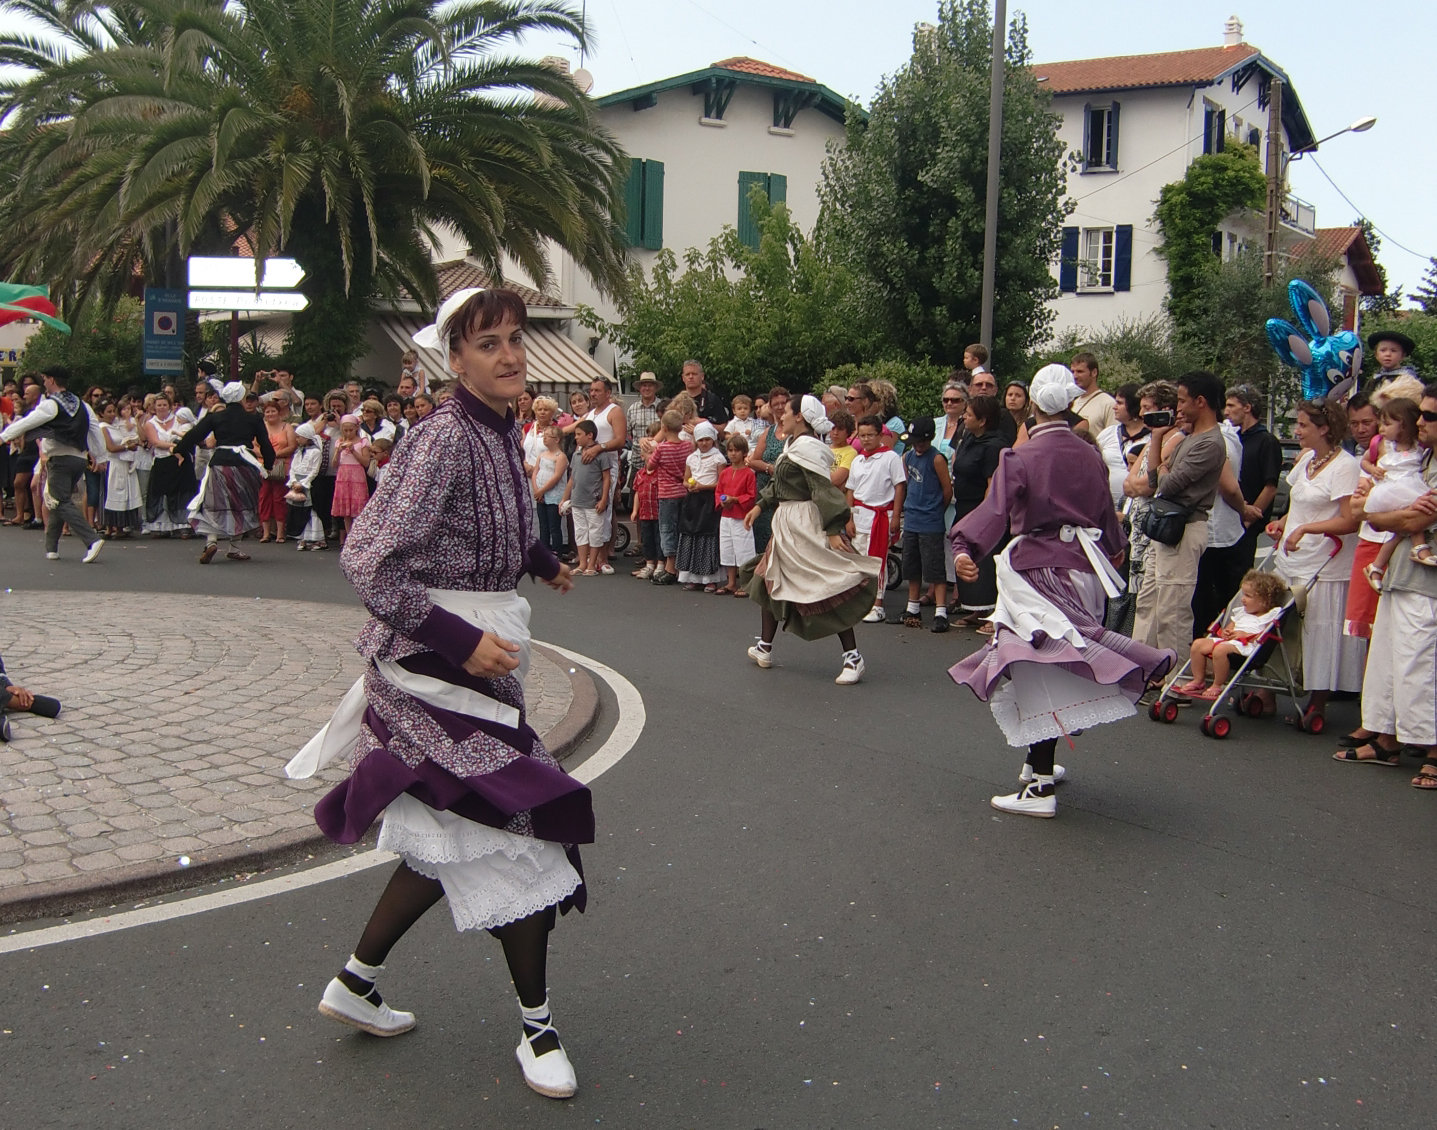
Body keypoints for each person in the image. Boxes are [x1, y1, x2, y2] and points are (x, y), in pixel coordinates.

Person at [288, 286, 585, 1101]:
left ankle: (356, 982)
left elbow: (493, 522)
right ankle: (537, 1029)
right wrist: (459, 641)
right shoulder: (442, 436)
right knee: (520, 827)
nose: (509, 355)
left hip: (483, 652)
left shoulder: (500, 426)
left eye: (515, 338)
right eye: (488, 343)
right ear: (454, 358)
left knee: (452, 828)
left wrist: (539, 559)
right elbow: (367, 561)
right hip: (432, 665)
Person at [949, 364, 1175, 818]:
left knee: (1039, 667)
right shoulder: (1090, 454)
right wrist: (1114, 549)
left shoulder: (1021, 456)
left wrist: (963, 546)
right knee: (1054, 663)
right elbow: (1108, 517)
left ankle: (1040, 785)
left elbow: (995, 510)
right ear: (1071, 403)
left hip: (1039, 570)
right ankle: (1038, 764)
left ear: (1033, 403)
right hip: (1086, 570)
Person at [740, 395, 881, 684]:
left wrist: (833, 529)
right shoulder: (793, 445)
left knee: (825, 586)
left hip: (804, 524)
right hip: (787, 524)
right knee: (768, 580)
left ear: (800, 417)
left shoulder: (808, 449)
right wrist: (760, 506)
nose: (781, 416)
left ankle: (853, 657)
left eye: (786, 412)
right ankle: (765, 647)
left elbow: (823, 490)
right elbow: (779, 485)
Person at [1347, 384, 1437, 777]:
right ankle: (1387, 740)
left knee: (1420, 664)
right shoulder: (1419, 458)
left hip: (1427, 581)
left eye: (1429, 415)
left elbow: (1416, 518)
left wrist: (1371, 514)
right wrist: (1374, 506)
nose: (1421, 421)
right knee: (1387, 661)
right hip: (1400, 573)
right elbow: (1377, 507)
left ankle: (1432, 749)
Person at [1263, 399, 1364, 727]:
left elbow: (1350, 520)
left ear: (1324, 428)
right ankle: (1269, 689)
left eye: (1303, 425)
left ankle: (1318, 699)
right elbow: (1300, 505)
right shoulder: (1306, 458)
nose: (1297, 430)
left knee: (1319, 630)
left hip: (1325, 562)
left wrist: (1307, 528)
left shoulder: (1345, 466)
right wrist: (1284, 523)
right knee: (1279, 622)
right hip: (1293, 556)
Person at [1129, 371, 1229, 661]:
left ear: (1201, 401)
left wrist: (1163, 470)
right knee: (1149, 603)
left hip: (1184, 528)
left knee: (1172, 611)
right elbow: (1154, 478)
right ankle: (1143, 664)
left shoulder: (1210, 443)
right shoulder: (1188, 438)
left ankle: (1176, 674)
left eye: (1183, 401)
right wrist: (1158, 438)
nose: (1179, 408)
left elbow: (1168, 485)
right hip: (1165, 528)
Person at [0, 365, 106, 563]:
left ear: (52, 380)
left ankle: (92, 540)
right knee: (55, 501)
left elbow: (27, 422)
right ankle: (51, 548)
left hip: (60, 459)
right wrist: (100, 457)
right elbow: (94, 429)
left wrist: (4, 436)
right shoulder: (82, 404)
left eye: (45, 379)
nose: (44, 382)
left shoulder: (51, 404)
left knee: (60, 501)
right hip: (78, 459)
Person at [174, 381, 277, 563]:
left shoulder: (216, 417)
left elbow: (194, 434)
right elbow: (266, 445)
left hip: (220, 463)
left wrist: (179, 449)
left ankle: (211, 541)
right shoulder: (253, 419)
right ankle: (234, 548)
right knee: (241, 504)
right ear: (241, 397)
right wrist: (268, 464)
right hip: (245, 464)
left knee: (214, 502)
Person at [1177, 570, 1288, 699]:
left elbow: (1264, 637)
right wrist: (1226, 632)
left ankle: (1218, 684)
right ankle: (1198, 680)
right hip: (1229, 642)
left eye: (1248, 596)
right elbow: (1231, 626)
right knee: (1197, 644)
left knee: (1220, 650)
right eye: (1243, 594)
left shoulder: (1269, 616)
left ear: (1265, 601)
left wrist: (1244, 635)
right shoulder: (1242, 612)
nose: (1243, 599)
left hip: (1247, 646)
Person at [1188, 418, 1250, 639]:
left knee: (1207, 604)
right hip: (1220, 532)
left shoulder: (1216, 441)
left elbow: (1229, 487)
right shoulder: (1224, 437)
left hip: (1216, 534)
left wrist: (1244, 510)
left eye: (1183, 403)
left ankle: (1212, 650)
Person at [949, 395, 1007, 630]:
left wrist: (984, 517)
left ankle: (994, 613)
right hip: (963, 506)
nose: (964, 417)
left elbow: (992, 485)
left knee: (987, 562)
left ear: (983, 421)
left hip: (981, 509)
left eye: (969, 414)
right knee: (968, 556)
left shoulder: (995, 446)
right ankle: (976, 609)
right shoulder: (968, 438)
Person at [1358, 398, 1430, 583]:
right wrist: (1373, 469)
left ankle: (1376, 566)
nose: (1381, 428)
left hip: (1408, 486)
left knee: (1399, 532)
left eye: (1387, 424)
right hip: (1392, 488)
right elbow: (1364, 461)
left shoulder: (1419, 446)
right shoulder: (1382, 444)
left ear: (1404, 425)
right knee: (1414, 515)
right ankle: (1420, 546)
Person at [846, 414, 906, 623]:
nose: (866, 439)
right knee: (859, 558)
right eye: (862, 435)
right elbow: (851, 490)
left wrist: (896, 516)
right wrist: (849, 517)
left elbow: (899, 487)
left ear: (880, 435)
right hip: (860, 515)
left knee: (877, 559)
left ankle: (878, 604)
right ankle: (862, 601)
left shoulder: (891, 458)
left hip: (881, 516)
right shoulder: (858, 460)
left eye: (870, 435)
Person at [899, 416, 953, 632]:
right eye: (914, 441)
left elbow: (947, 489)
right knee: (911, 565)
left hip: (930, 520)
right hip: (912, 518)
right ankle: (912, 607)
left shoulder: (936, 459)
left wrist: (936, 509)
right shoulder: (907, 457)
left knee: (934, 567)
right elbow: (907, 484)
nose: (917, 445)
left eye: (921, 441)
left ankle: (940, 611)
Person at [1225, 385, 1282, 573]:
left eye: (1231, 406)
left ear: (1247, 407)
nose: (1226, 412)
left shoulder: (1266, 441)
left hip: (1246, 521)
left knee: (1239, 574)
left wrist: (1248, 519)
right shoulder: (1233, 438)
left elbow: (1270, 486)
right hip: (1228, 518)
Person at [560, 419, 615, 577]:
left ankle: (592, 564)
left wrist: (603, 500)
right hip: (577, 500)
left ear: (589, 435)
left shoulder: (601, 455)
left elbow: (606, 478)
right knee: (581, 532)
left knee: (595, 532)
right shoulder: (576, 455)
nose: (576, 437)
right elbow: (572, 478)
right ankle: (582, 563)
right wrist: (564, 499)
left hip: (593, 501)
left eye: (579, 434)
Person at [677, 421, 726, 591]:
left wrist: (704, 487)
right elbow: (685, 479)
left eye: (707, 439)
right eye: (701, 440)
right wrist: (689, 486)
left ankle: (710, 578)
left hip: (709, 500)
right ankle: (694, 577)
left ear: (713, 440)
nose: (704, 443)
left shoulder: (718, 458)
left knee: (708, 536)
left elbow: (721, 482)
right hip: (693, 500)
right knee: (692, 535)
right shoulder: (691, 458)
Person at [648, 410, 693, 585]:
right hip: (684, 491)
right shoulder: (687, 446)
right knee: (682, 529)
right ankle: (682, 567)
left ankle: (670, 568)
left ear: (664, 428)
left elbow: (650, 466)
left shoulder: (661, 448)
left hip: (667, 493)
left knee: (667, 529)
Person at [746, 386, 789, 553]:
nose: (780, 407)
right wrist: (769, 468)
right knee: (764, 538)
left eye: (783, 403)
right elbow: (753, 460)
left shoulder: (795, 432)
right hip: (765, 487)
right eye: (776, 404)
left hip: (786, 490)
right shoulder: (768, 432)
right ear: (770, 407)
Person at [716, 434, 757, 595]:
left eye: (736, 450)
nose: (733, 454)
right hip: (726, 516)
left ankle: (746, 584)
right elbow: (719, 491)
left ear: (744, 452)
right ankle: (731, 582)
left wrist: (735, 500)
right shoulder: (725, 473)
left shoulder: (749, 473)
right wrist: (722, 502)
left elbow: (751, 496)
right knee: (727, 549)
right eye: (730, 450)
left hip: (741, 517)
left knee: (743, 550)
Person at [101, 400, 143, 537]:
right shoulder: (103, 427)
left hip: (124, 463)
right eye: (109, 412)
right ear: (101, 413)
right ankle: (109, 528)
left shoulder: (116, 426)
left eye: (113, 411)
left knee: (125, 496)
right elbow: (111, 447)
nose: (112, 414)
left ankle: (120, 528)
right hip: (113, 464)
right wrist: (127, 447)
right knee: (113, 496)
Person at [257, 399, 297, 543]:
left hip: (282, 466)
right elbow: (253, 446)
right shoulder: (260, 427)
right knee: (264, 499)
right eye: (267, 411)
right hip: (263, 467)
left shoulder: (287, 427)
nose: (270, 414)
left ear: (279, 412)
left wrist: (274, 455)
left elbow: (292, 446)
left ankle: (280, 533)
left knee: (279, 499)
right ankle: (266, 533)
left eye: (273, 411)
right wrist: (266, 455)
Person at [329, 414, 372, 545]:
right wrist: (338, 451)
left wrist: (353, 451)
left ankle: (359, 536)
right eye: (345, 430)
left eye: (350, 430)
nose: (348, 433)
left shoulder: (362, 442)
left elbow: (366, 462)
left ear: (356, 428)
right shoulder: (339, 442)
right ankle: (349, 537)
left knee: (358, 507)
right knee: (346, 510)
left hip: (357, 474)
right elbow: (334, 464)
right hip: (343, 475)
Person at [286, 422, 326, 550]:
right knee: (300, 511)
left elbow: (314, 470)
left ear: (306, 437)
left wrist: (303, 483)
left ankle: (316, 539)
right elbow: (293, 468)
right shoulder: (299, 452)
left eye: (299, 437)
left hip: (309, 484)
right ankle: (303, 538)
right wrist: (293, 481)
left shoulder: (316, 452)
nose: (297, 439)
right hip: (297, 482)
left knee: (311, 511)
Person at [629, 422, 661, 579]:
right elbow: (637, 492)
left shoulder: (660, 473)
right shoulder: (640, 474)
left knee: (659, 540)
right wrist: (635, 510)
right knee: (647, 540)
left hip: (658, 513)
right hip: (645, 514)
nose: (652, 456)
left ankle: (660, 565)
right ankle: (649, 565)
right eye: (649, 453)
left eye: (654, 453)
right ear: (642, 456)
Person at [532, 426, 568, 558]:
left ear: (557, 440)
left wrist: (542, 490)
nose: (544, 438)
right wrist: (536, 490)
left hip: (553, 496)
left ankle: (557, 550)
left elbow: (557, 476)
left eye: (548, 436)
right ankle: (544, 550)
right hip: (541, 495)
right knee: (543, 526)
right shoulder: (542, 455)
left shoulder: (560, 457)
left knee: (554, 526)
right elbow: (535, 472)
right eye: (544, 436)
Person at [1070, 352, 1116, 434]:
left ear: (1094, 372)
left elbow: (1113, 437)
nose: (1075, 376)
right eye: (1073, 372)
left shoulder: (1108, 404)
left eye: (1080, 371)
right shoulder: (1072, 403)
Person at [679, 360, 729, 429]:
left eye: (694, 374)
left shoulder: (713, 400)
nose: (691, 377)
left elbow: (724, 429)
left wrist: (704, 425)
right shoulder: (677, 402)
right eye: (687, 374)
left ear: (702, 376)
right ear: (683, 378)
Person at [1366, 330, 1419, 396]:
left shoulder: (1408, 380)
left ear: (1402, 356)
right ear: (1376, 355)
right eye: (1383, 350)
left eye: (1393, 351)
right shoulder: (1375, 378)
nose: (1388, 354)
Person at [935, 381, 968, 457]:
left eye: (955, 400)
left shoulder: (969, 426)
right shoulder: (934, 423)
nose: (949, 403)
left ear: (965, 403)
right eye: (946, 400)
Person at [827, 411, 858, 491]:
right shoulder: (824, 449)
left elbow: (836, 480)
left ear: (848, 431)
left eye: (840, 429)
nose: (835, 433)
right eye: (833, 428)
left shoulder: (851, 452)